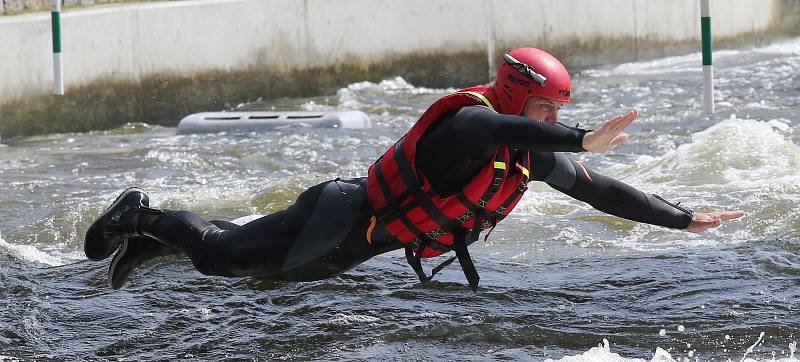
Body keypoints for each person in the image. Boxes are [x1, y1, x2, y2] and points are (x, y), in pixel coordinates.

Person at [85, 47, 745, 290]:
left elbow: (605, 195)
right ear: (517, 94)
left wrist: (682, 219)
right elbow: (494, 127)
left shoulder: (526, 156)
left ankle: (149, 245)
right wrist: (581, 137)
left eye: (556, 114)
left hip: (352, 246)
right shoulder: (469, 125)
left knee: (258, 261)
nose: (546, 123)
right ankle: (135, 215)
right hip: (339, 216)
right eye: (543, 108)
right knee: (222, 260)